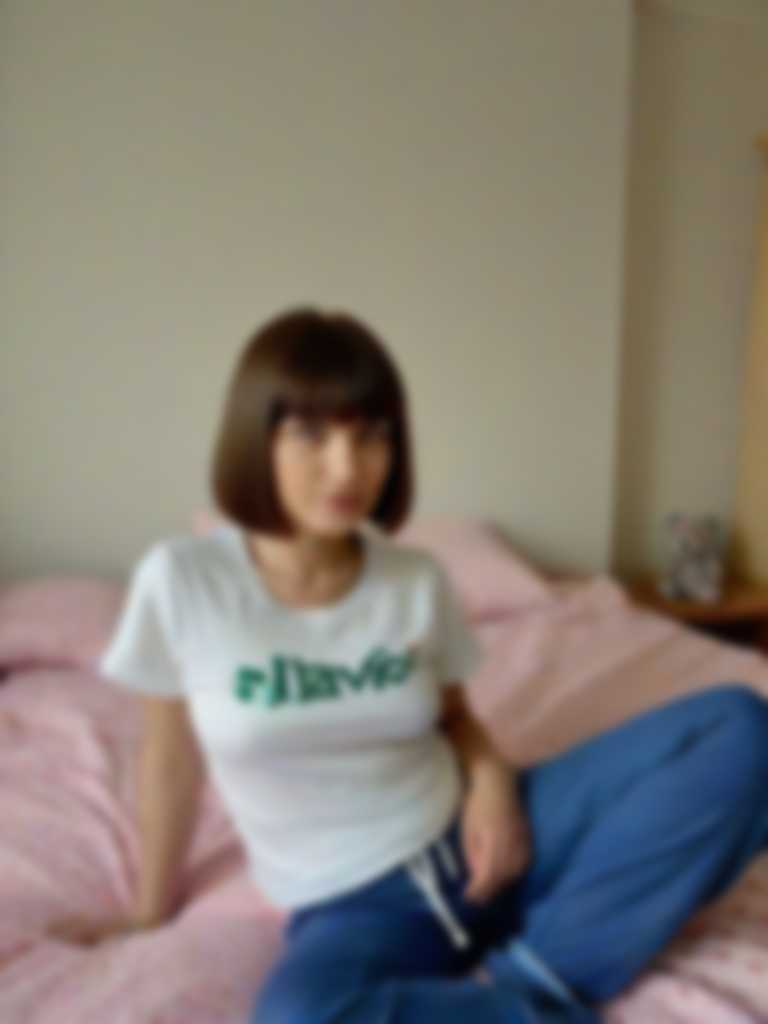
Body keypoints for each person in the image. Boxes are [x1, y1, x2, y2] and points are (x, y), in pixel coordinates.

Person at [59, 307, 768, 1022]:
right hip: (357, 910)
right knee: (299, 1017)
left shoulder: (415, 580)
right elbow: (170, 759)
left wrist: (492, 783)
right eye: (311, 434)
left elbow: (455, 717)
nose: (348, 467)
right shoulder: (183, 582)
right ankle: (541, 996)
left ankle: (543, 974)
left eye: (371, 435)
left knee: (742, 728)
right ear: (256, 437)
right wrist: (147, 915)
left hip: (489, 836)